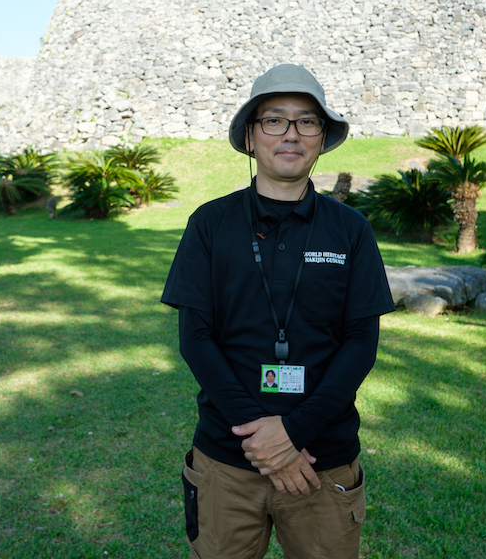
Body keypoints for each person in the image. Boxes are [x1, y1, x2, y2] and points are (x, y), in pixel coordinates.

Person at [161, 63, 394, 559]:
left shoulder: (351, 230)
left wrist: (294, 432)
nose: (291, 134)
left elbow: (360, 343)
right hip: (227, 460)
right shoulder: (209, 223)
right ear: (250, 136)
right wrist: (263, 439)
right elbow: (195, 338)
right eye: (274, 120)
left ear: (322, 137)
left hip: (322, 462)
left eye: (307, 121)